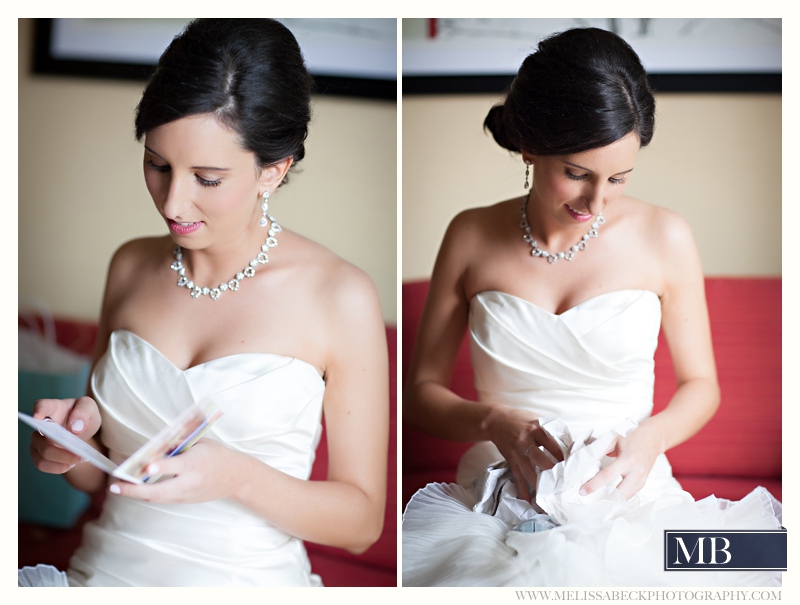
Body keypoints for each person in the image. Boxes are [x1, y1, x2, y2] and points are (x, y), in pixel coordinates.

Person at [402, 27, 780, 587]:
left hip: (630, 479)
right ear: (530, 146)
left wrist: (652, 438)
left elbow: (702, 385)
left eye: (619, 178)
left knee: (757, 570)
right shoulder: (470, 234)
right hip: (502, 484)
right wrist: (491, 421)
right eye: (576, 174)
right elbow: (421, 395)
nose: (596, 202)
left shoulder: (666, 236)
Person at [19, 19, 389, 587]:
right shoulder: (129, 265)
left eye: (208, 178)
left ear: (274, 168)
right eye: (158, 165)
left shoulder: (339, 296)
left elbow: (361, 523)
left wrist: (238, 477)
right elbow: (106, 480)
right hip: (102, 576)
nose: (173, 202)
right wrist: (71, 448)